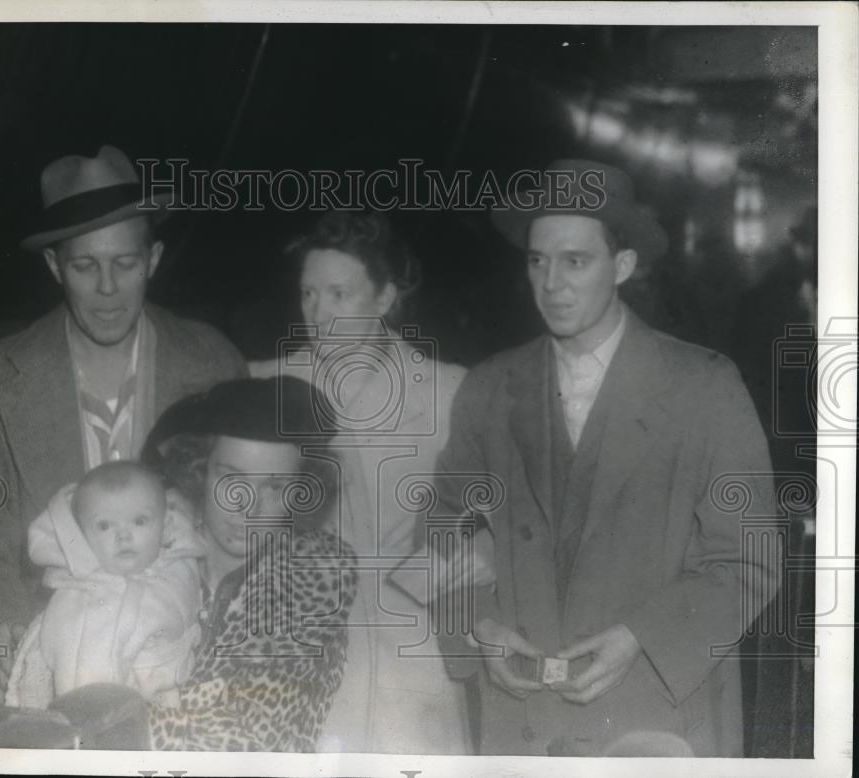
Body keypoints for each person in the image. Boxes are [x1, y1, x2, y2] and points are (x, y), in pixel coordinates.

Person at [437, 159, 778, 756]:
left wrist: (639, 637)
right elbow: (442, 529)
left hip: (657, 716)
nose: (552, 284)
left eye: (576, 261)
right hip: (523, 723)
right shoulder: (490, 388)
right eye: (537, 260)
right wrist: (479, 626)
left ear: (622, 266)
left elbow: (749, 559)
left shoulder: (704, 387)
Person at [0, 144, 246, 703]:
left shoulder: (214, 364)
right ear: (55, 266)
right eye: (84, 265)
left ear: (152, 259)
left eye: (125, 264)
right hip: (35, 679)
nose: (107, 289)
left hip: (183, 676)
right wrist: (3, 642)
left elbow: (247, 528)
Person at [250, 211, 473, 753]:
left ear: (384, 297)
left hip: (413, 642)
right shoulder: (263, 384)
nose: (318, 313)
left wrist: (425, 582)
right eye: (307, 294)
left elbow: (480, 523)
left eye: (338, 294)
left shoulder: (450, 391)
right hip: (299, 637)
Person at [139, 376, 359, 751]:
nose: (248, 508)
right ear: (200, 470)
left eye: (274, 487)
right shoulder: (147, 546)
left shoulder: (317, 577)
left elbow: (237, 740)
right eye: (231, 478)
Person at [4, 461, 205, 709]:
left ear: (166, 526)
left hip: (169, 715)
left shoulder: (178, 573)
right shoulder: (77, 593)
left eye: (139, 521)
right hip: (92, 719)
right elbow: (75, 677)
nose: (123, 535)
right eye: (105, 525)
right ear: (79, 535)